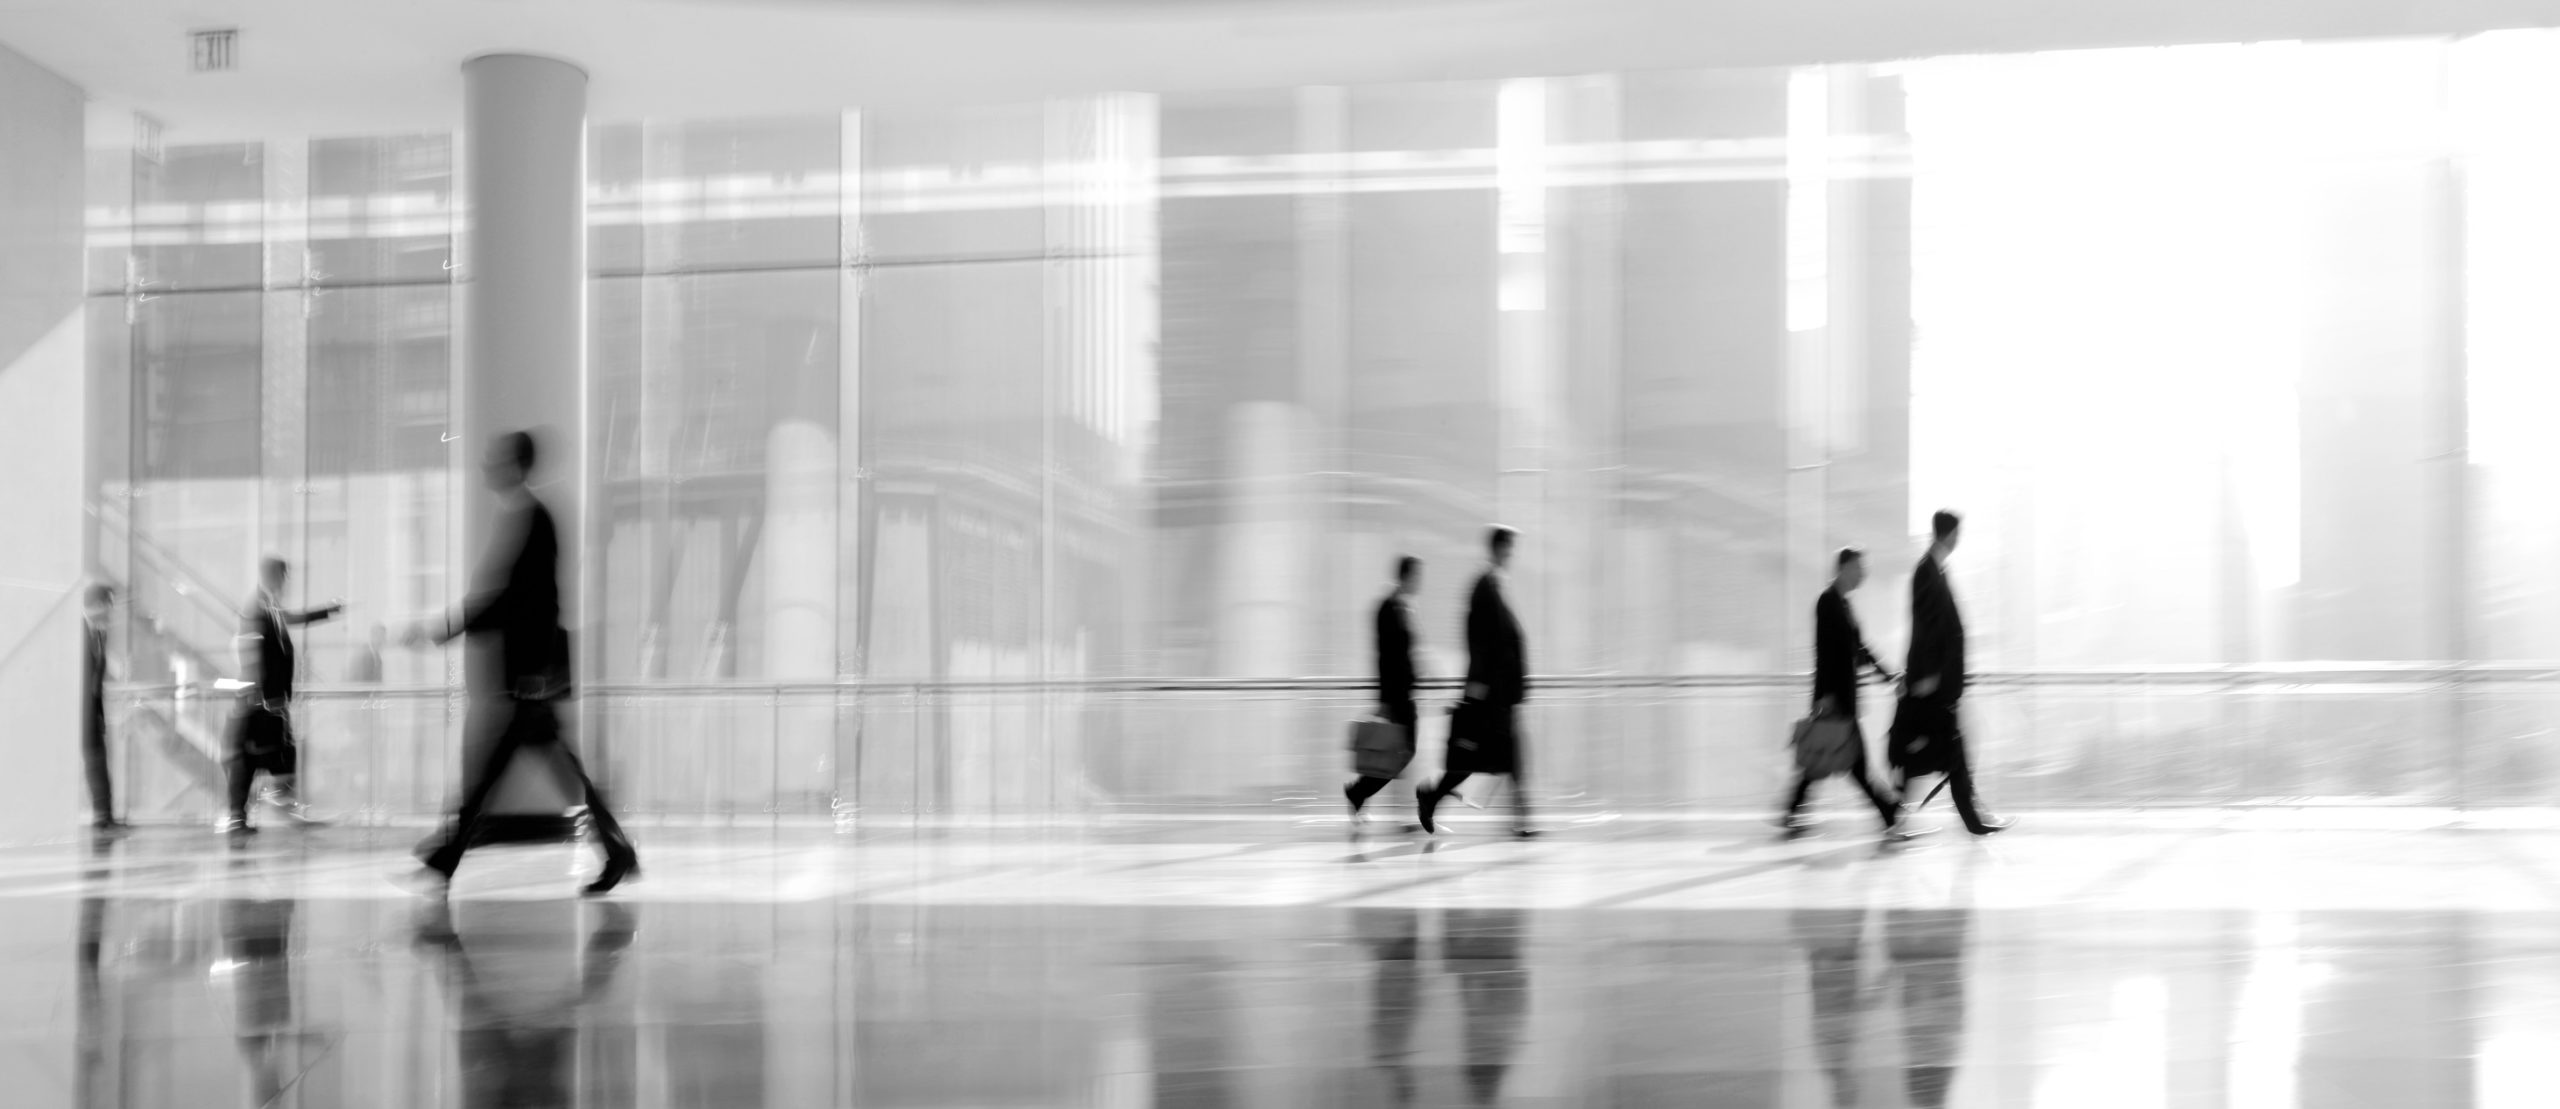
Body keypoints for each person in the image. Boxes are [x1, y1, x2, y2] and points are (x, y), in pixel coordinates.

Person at [408, 430, 638, 896]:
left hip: (531, 679)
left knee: (494, 771)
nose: (486, 465)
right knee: (524, 769)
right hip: (530, 679)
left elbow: (529, 602)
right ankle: (617, 853)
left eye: (495, 457)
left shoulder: (534, 519)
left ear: (515, 464)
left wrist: (450, 627)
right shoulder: (524, 515)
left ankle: (445, 860)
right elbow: (514, 601)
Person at [1896, 510, 2009, 836]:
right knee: (1940, 750)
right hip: (1933, 682)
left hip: (1939, 681)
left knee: (1944, 750)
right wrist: (1929, 675)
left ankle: (1965, 817)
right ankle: (1904, 815)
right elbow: (1927, 627)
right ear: (1948, 534)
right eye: (1957, 533)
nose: (1959, 539)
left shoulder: (1935, 570)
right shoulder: (1926, 572)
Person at [1419, 526, 1536, 838]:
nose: (1510, 556)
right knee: (1482, 758)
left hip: (1500, 693)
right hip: (1492, 694)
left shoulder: (1492, 584)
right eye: (1508, 550)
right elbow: (1481, 641)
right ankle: (1431, 795)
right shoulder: (1484, 585)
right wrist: (1478, 686)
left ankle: (1521, 820)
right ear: (1497, 549)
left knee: (1507, 758)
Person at [1778, 548, 1904, 838]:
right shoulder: (1828, 603)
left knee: (1824, 761)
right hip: (1835, 700)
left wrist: (1888, 675)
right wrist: (1824, 697)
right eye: (1860, 568)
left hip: (1840, 699)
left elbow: (1859, 650)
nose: (1864, 573)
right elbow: (1825, 655)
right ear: (1844, 568)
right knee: (1853, 763)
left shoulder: (1843, 604)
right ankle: (1890, 814)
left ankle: (1791, 811)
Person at [222, 558, 343, 834]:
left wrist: (328, 611)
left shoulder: (268, 604)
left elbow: (292, 619)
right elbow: (249, 649)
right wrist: (257, 692)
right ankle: (248, 814)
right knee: (256, 758)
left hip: (270, 701)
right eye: (285, 577)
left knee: (276, 755)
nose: (287, 583)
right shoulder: (256, 606)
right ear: (276, 577)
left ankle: (259, 810)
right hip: (261, 702)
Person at [1347, 556, 1423, 822]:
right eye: (1417, 576)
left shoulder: (1400, 606)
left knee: (1401, 752)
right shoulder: (1389, 607)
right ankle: (1358, 792)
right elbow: (1385, 657)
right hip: (1396, 695)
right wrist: (1386, 699)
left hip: (1404, 693)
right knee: (1400, 752)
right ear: (1406, 575)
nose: (1420, 582)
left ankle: (1359, 793)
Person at [81, 584, 129, 833]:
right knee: (94, 762)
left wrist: (98, 713)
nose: (112, 611)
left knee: (98, 762)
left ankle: (104, 819)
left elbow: (96, 681)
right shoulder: (75, 629)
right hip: (76, 713)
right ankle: (102, 818)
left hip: (92, 712)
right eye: (110, 604)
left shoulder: (100, 633)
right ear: (99, 604)